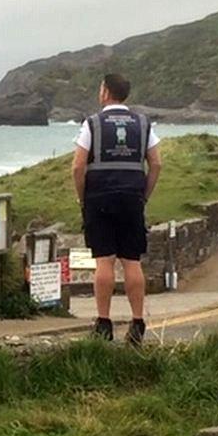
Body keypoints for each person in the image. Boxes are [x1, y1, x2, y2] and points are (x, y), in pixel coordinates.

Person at [72, 73, 162, 344]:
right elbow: (156, 163)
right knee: (132, 261)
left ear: (105, 92)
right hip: (132, 198)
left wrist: (82, 197)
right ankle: (137, 323)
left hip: (99, 198)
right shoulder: (143, 123)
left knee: (104, 261)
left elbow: (78, 165)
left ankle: (104, 322)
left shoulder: (93, 124)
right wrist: (143, 194)